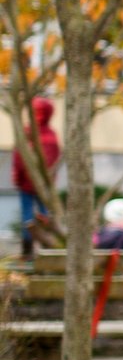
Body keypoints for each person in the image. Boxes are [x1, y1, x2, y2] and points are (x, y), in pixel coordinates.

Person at [12, 96, 59, 256]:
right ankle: (46, 249)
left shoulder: (27, 133)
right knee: (44, 215)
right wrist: (50, 180)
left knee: (28, 217)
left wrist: (18, 178)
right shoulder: (51, 135)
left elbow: (19, 158)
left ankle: (28, 251)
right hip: (43, 184)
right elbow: (54, 160)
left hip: (27, 183)